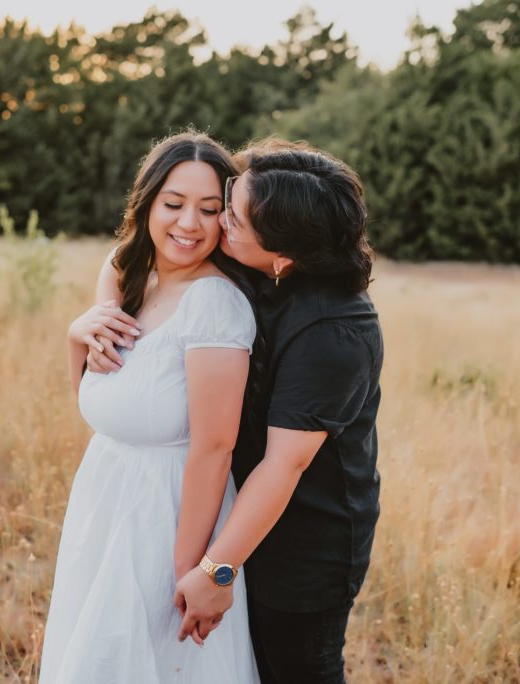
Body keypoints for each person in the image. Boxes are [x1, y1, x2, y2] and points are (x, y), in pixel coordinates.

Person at [87, 138, 384, 684]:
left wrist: (215, 569)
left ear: (282, 255)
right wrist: (93, 316)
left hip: (301, 545)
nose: (216, 224)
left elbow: (284, 464)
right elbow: (128, 257)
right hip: (228, 513)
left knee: (291, 671)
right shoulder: (257, 268)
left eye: (231, 217)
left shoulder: (335, 333)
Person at [39, 132, 261, 683]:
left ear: (227, 219)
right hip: (104, 496)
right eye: (174, 204)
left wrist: (192, 569)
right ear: (147, 203)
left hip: (169, 516)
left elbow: (214, 448)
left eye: (210, 210)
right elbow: (102, 403)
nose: (189, 224)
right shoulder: (123, 271)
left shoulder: (215, 305)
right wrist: (75, 337)